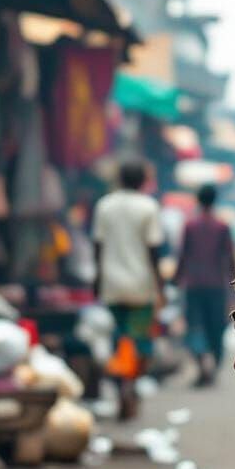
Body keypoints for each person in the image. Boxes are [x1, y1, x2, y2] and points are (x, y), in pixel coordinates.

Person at [92, 159, 165, 420]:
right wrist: (160, 285)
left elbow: (98, 246)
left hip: (111, 284)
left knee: (119, 338)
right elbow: (153, 250)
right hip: (141, 285)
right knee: (139, 340)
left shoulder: (104, 205)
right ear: (143, 180)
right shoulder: (148, 207)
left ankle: (121, 384)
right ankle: (129, 384)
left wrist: (97, 278)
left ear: (120, 178)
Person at [176, 184, 235, 387]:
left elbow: (183, 255)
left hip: (193, 285)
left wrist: (176, 278)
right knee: (216, 327)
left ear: (198, 200)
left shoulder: (190, 226)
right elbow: (229, 258)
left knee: (195, 326)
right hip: (216, 285)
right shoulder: (222, 226)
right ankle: (213, 364)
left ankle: (202, 362)